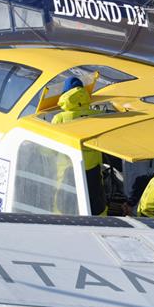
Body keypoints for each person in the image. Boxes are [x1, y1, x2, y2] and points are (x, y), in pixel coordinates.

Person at [51, 77, 107, 215]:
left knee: (63, 208)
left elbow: (49, 150)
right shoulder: (98, 115)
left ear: (65, 95)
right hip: (93, 171)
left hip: (68, 171)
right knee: (96, 206)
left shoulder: (60, 119)